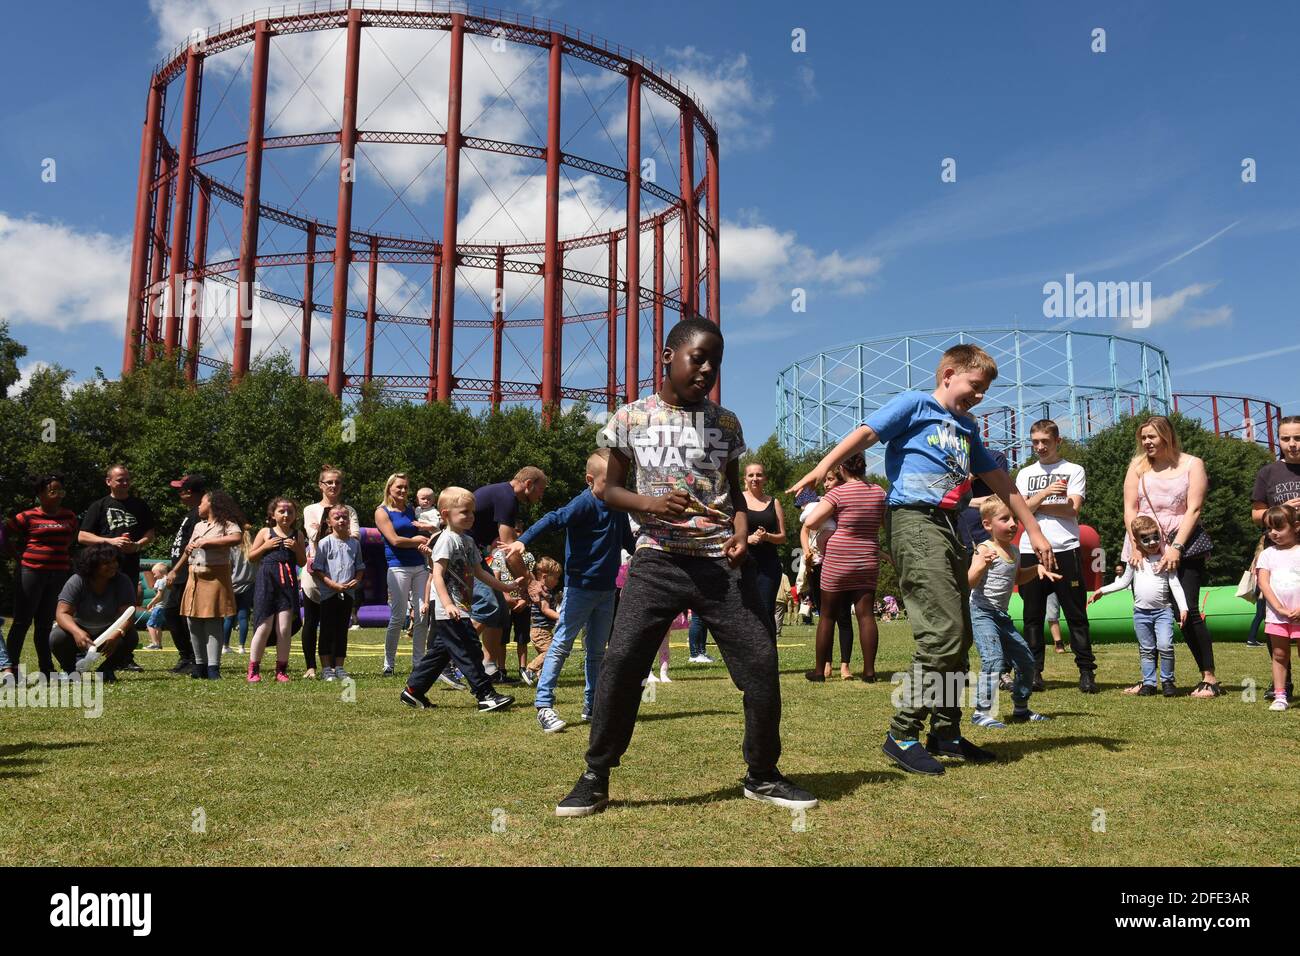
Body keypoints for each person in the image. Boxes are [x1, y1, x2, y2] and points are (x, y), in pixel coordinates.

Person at [556, 316, 818, 816]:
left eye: (715, 362)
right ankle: (595, 776)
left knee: (760, 664)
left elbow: (734, 494)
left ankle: (762, 775)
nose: (707, 369)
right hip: (657, 559)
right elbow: (606, 490)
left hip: (719, 563)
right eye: (698, 357)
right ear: (668, 357)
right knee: (622, 662)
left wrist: (741, 532)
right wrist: (651, 505)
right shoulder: (630, 418)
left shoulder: (726, 423)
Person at [790, 343, 1056, 777]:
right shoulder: (916, 405)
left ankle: (946, 733)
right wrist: (825, 465)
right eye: (975, 385)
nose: (980, 395)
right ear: (948, 373)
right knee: (942, 633)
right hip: (914, 522)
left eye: (986, 389)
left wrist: (1037, 529)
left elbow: (1002, 483)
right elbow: (866, 433)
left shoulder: (966, 427)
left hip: (950, 526)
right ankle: (902, 733)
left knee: (962, 633)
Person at [504, 448, 634, 733]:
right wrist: (523, 540)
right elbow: (553, 518)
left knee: (597, 651)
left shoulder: (617, 506)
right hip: (579, 589)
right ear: (590, 479)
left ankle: (592, 706)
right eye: (608, 482)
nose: (615, 488)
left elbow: (628, 541)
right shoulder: (583, 503)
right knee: (561, 645)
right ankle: (544, 705)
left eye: (618, 482)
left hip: (606, 591)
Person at [1122, 415, 1221, 698]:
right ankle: (1149, 679)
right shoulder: (1137, 467)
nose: (1147, 442)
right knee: (1145, 609)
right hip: (1142, 544)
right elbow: (1130, 508)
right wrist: (1136, 544)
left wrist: (1176, 546)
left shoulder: (1192, 464)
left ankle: (1209, 677)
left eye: (1152, 436)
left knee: (1186, 609)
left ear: (1167, 436)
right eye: (1143, 438)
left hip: (1184, 544)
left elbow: (1194, 509)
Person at [399, 486, 516, 713]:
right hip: (448, 608)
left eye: (472, 512)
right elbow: (438, 577)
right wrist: (449, 604)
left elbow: (481, 573)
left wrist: (506, 587)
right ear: (445, 514)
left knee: (441, 653)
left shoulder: (468, 541)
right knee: (469, 648)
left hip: (461, 606)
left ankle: (413, 691)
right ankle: (485, 694)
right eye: (464, 512)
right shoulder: (446, 541)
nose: (470, 516)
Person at [1015, 419, 1097, 693]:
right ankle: (1034, 673)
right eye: (1035, 441)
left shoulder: (1073, 470)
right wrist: (1048, 494)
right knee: (1032, 616)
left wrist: (1035, 505)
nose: (1039, 447)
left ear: (1057, 441)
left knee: (1075, 614)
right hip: (1031, 550)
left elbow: (1072, 510)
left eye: (1045, 442)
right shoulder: (1024, 474)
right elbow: (1019, 511)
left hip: (1065, 548)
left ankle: (1086, 672)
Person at [968, 497, 1059, 726]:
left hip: (1002, 615)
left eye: (1014, 519)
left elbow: (1017, 577)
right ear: (988, 525)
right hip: (982, 612)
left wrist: (1036, 568)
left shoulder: (1015, 551)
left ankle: (1021, 708)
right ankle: (981, 712)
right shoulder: (984, 549)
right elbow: (969, 582)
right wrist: (981, 566)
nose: (1012, 524)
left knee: (1027, 661)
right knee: (993, 660)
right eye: (1005, 519)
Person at [801, 453, 885, 682]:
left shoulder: (838, 492)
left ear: (842, 469)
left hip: (838, 558)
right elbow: (882, 523)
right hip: (867, 556)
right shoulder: (879, 492)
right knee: (866, 615)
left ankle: (820, 671)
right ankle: (869, 672)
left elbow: (811, 522)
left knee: (827, 615)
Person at [1090, 515, 1188, 697]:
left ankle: (1168, 681)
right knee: (1146, 649)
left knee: (1166, 645)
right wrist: (1101, 591)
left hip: (1163, 612)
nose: (1152, 542)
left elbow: (1175, 584)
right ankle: (1149, 683)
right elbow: (1123, 582)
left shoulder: (1166, 559)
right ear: (1136, 540)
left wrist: (1183, 608)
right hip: (1141, 613)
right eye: (1146, 539)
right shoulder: (1134, 561)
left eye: (1155, 537)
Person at [469, 467, 548, 680]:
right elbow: (510, 550)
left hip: (474, 551)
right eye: (540, 490)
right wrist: (531, 583)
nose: (541, 496)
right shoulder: (507, 498)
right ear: (528, 484)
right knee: (488, 606)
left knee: (499, 611)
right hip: (466, 552)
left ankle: (489, 666)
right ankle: (448, 660)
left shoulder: (504, 495)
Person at [78, 464, 154, 674]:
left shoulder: (139, 505)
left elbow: (150, 533)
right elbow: (82, 536)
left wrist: (137, 545)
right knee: (96, 609)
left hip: (127, 567)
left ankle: (124, 658)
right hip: (100, 569)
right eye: (120, 479)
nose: (125, 483)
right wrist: (110, 541)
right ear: (108, 481)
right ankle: (83, 651)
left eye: (127, 479)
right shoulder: (99, 505)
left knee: (126, 610)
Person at [4, 474, 79, 676]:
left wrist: (59, 553)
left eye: (61, 491)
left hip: (59, 573)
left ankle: (46, 669)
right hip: (31, 571)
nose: (58, 495)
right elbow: (4, 533)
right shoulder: (27, 516)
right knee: (22, 622)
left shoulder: (69, 516)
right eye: (53, 491)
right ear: (40, 494)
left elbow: (72, 537)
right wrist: (16, 556)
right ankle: (11, 668)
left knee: (45, 623)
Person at [1250, 416, 1300, 695]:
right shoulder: (1269, 473)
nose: (1292, 445)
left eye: (1298, 438)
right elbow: (1256, 515)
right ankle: (1283, 682)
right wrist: (1279, 509)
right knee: (1277, 617)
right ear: (1278, 440)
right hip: (1278, 554)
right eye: (1286, 439)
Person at [302, 466, 361, 679]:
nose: (333, 486)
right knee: (312, 619)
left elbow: (355, 538)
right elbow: (313, 536)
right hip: (316, 571)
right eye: (329, 482)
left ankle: (336, 666)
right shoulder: (310, 509)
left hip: (342, 574)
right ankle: (311, 666)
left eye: (337, 482)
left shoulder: (349, 510)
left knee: (337, 622)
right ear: (321, 485)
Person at [48, 543, 139, 681]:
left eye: (114, 561)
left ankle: (106, 671)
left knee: (131, 636)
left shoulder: (122, 581)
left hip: (108, 630)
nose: (113, 565)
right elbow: (62, 613)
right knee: (57, 636)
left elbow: (128, 614)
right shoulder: (77, 581)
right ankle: (71, 671)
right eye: (106, 563)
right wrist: (77, 632)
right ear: (92, 565)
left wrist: (117, 633)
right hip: (80, 629)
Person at [179, 491, 244, 679]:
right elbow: (189, 548)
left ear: (212, 504)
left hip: (215, 576)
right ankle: (200, 665)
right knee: (193, 621)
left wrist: (209, 542)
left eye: (201, 502)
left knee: (213, 621)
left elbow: (236, 538)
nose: (198, 506)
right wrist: (178, 566)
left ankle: (213, 668)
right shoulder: (199, 526)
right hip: (195, 576)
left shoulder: (228, 524)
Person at [797, 475, 854, 678]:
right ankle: (827, 663)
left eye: (830, 480)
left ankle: (845, 665)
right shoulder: (819, 504)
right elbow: (804, 531)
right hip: (819, 566)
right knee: (825, 617)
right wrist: (807, 552)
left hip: (841, 564)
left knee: (844, 616)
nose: (827, 484)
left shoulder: (846, 504)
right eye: (826, 480)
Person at [374, 473, 431, 676]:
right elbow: (395, 540)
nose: (403, 491)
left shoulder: (411, 510)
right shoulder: (382, 512)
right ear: (389, 488)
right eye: (399, 487)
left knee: (422, 616)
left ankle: (419, 663)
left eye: (406, 487)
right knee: (398, 617)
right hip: (397, 567)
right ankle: (389, 664)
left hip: (419, 566)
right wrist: (418, 541)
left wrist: (425, 540)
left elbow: (424, 534)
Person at [247, 497, 307, 683]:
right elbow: (251, 556)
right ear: (273, 514)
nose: (286, 515)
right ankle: (253, 668)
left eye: (290, 511)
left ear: (296, 515)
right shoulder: (266, 532)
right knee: (263, 626)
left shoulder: (297, 535)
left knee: (284, 628)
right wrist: (265, 546)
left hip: (287, 583)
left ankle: (281, 669)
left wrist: (297, 548)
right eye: (281, 511)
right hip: (267, 580)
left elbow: (302, 562)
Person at [311, 504, 366, 682]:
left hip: (348, 594)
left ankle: (339, 666)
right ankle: (326, 668)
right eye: (337, 517)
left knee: (342, 630)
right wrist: (332, 584)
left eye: (344, 517)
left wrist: (356, 580)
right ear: (329, 522)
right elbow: (318, 569)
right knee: (327, 629)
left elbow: (359, 567)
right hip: (329, 594)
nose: (341, 520)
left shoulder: (354, 543)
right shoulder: (325, 543)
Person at [1255, 505, 1300, 711]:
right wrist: (1279, 608)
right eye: (1269, 529)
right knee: (1280, 655)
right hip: (1277, 616)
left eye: (1279, 528)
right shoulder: (1267, 554)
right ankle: (1280, 695)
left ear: (1296, 526)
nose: (1273, 533)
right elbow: (1264, 583)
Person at [163, 474, 205, 675]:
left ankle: (192, 658)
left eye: (182, 490)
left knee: (179, 615)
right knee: (172, 613)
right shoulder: (191, 513)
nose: (179, 494)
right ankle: (186, 656)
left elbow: (194, 548)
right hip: (179, 572)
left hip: (187, 572)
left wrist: (178, 569)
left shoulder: (200, 514)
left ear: (192, 492)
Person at [741, 462, 788, 621]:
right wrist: (747, 538)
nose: (755, 478)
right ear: (744, 479)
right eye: (751, 475)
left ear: (765, 478)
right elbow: (727, 532)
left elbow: (782, 537)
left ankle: (768, 646)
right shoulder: (737, 501)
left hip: (769, 566)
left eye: (759, 475)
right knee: (745, 610)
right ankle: (746, 646)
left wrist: (767, 537)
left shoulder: (774, 503)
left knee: (766, 610)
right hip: (743, 562)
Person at [520, 556, 562, 684]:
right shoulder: (541, 591)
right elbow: (545, 609)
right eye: (555, 578)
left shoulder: (547, 590)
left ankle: (540, 677)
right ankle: (530, 670)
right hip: (540, 631)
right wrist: (561, 617)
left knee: (548, 656)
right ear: (544, 577)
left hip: (544, 630)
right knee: (551, 652)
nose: (557, 581)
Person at [223, 524, 256, 654]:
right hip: (248, 586)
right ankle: (241, 646)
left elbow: (228, 568)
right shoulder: (254, 549)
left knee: (229, 617)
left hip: (232, 586)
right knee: (243, 617)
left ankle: (225, 646)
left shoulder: (232, 549)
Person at [141, 562, 170, 650]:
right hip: (162, 607)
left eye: (154, 574)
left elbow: (159, 596)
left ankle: (155, 644)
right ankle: (159, 643)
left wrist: (150, 604)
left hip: (159, 607)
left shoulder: (161, 581)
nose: (153, 576)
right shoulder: (166, 580)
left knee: (150, 625)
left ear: (161, 572)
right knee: (157, 626)